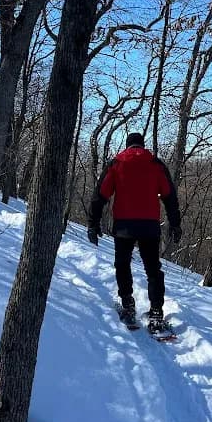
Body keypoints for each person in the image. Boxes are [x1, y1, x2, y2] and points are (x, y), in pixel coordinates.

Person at [88, 132, 182, 332]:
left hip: (124, 226)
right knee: (153, 270)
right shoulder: (156, 164)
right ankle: (156, 311)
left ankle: (128, 304)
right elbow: (169, 196)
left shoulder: (117, 163)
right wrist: (175, 224)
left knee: (122, 265)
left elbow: (100, 195)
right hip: (149, 226)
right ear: (142, 145)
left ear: (128, 146)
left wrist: (93, 223)